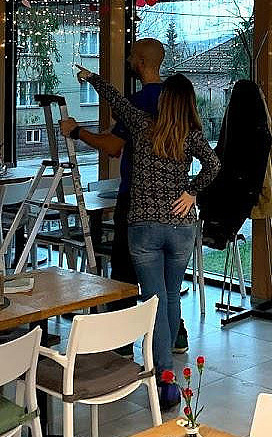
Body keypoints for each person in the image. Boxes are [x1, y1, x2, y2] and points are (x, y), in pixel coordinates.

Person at [72, 64, 219, 410]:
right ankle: (166, 368)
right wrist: (192, 192)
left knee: (154, 301)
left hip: (143, 227)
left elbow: (116, 99)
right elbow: (214, 165)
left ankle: (165, 377)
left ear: (164, 102)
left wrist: (91, 78)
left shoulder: (142, 125)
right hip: (181, 226)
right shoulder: (191, 136)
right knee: (170, 297)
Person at [61, 38, 190, 353]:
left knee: (125, 271)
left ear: (142, 62)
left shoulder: (139, 101)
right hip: (175, 204)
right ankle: (175, 336)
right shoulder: (176, 101)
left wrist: (76, 131)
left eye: (132, 56)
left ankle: (121, 340)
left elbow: (113, 147)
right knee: (167, 283)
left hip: (137, 200)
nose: (129, 61)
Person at [197, 80, 272, 250]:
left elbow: (219, 155)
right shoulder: (261, 130)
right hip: (244, 193)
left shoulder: (232, 126)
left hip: (225, 192)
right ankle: (220, 233)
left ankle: (215, 233)